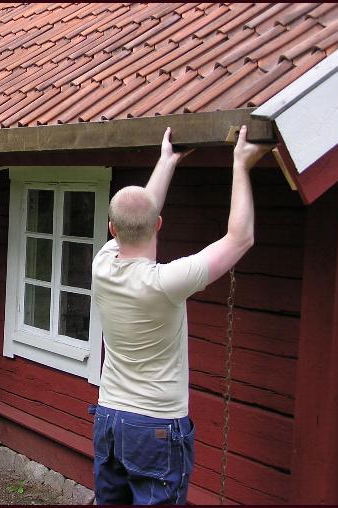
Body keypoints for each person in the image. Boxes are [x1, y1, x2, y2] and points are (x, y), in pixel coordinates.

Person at [90, 125, 271, 504]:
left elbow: (139, 215)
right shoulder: (166, 282)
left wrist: (166, 161)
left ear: (112, 229)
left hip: (109, 418)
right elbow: (241, 238)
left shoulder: (102, 264)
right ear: (159, 224)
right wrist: (240, 164)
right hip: (155, 426)